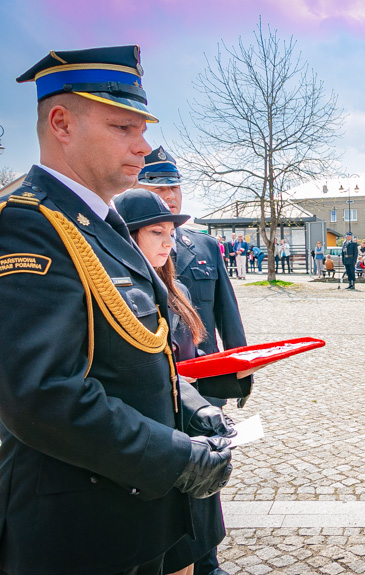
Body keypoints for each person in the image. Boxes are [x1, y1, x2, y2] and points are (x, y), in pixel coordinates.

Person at [0, 45, 232, 575]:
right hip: (74, 533)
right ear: (61, 122)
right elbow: (41, 392)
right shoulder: (29, 225)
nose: (144, 145)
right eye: (123, 127)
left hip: (128, 519)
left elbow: (137, 351)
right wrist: (173, 456)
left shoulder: (100, 223)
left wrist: (190, 407)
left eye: (141, 128)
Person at [136, 147, 251, 574]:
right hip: (160, 387)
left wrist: (240, 369)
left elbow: (227, 314)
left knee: (209, 476)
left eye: (174, 186)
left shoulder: (203, 244)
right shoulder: (128, 244)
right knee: (173, 476)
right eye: (159, 186)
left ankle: (208, 560)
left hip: (204, 389)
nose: (170, 194)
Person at [113, 189, 236, 575]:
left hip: (188, 432)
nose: (170, 241)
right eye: (156, 233)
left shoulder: (177, 290)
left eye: (170, 231)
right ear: (127, 237)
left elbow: (189, 358)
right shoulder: (116, 295)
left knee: (189, 551)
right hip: (154, 442)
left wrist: (234, 369)